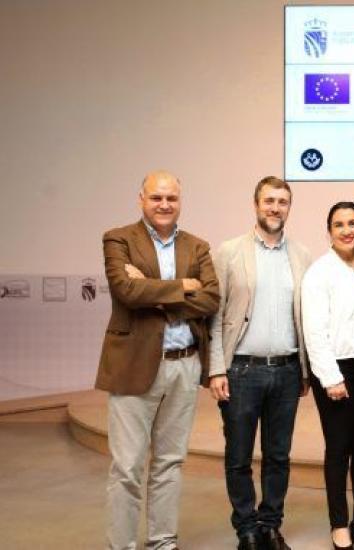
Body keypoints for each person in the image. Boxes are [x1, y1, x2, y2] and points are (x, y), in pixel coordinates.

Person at [96, 170, 220, 550]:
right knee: (127, 468)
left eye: (171, 198)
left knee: (170, 463)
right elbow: (126, 291)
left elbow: (211, 299)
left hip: (184, 365)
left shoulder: (197, 247)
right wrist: (184, 286)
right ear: (141, 199)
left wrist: (153, 290)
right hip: (133, 365)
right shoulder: (118, 239)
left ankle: (162, 543)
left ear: (180, 201)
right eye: (156, 197)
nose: (164, 204)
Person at [208, 176, 312, 550]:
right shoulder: (229, 251)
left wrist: (304, 370)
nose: (275, 208)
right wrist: (216, 369)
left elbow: (304, 316)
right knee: (238, 456)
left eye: (282, 202)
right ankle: (247, 530)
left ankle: (270, 525)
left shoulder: (301, 255)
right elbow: (214, 315)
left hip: (286, 370)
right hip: (241, 371)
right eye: (269, 201)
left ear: (289, 208)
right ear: (256, 204)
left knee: (278, 456)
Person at [301, 202, 354, 550]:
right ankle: (338, 523)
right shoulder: (319, 273)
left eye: (353, 223)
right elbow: (314, 330)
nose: (347, 230)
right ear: (329, 232)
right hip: (337, 369)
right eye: (339, 224)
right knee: (339, 449)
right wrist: (330, 378)